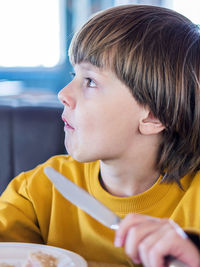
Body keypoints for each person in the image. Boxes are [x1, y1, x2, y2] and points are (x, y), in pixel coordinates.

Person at [0, 4, 200, 267]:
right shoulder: (38, 191)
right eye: (75, 74)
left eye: (90, 81)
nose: (63, 94)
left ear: (153, 117)